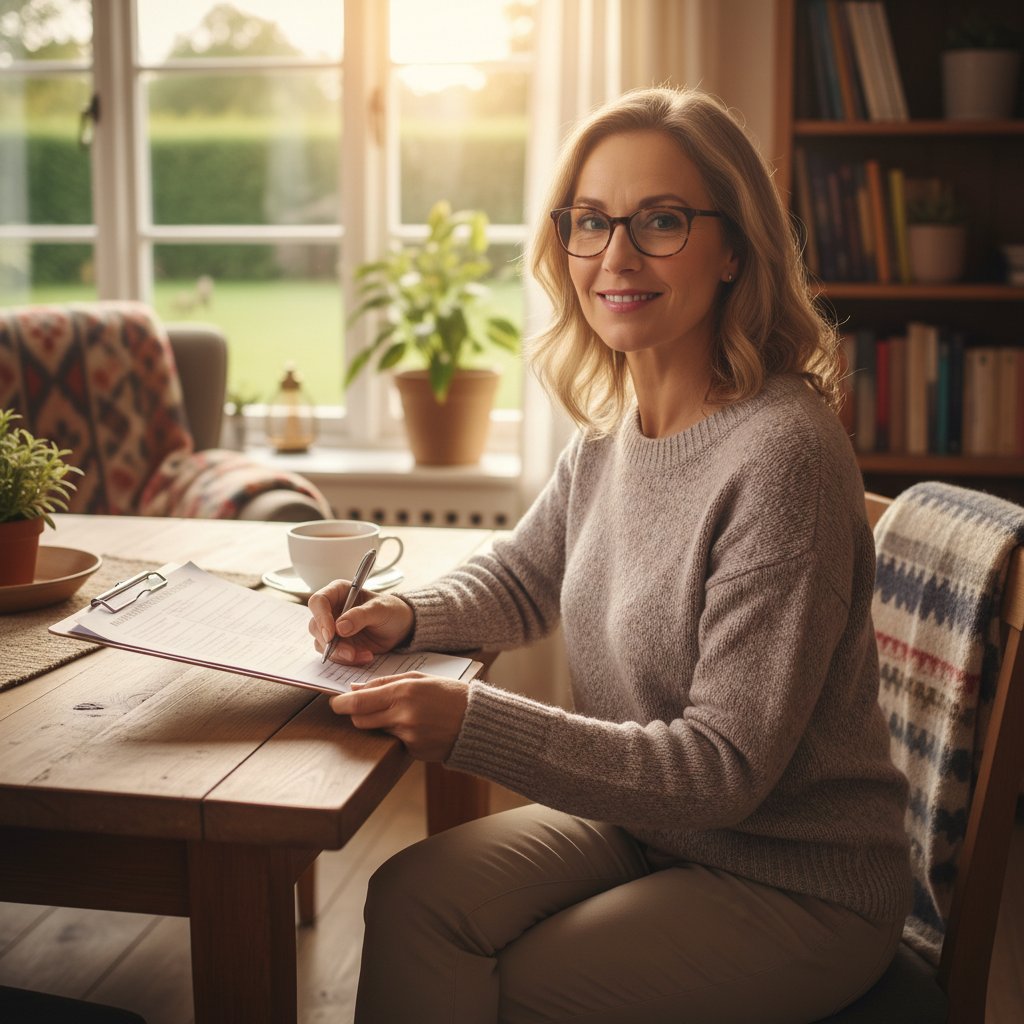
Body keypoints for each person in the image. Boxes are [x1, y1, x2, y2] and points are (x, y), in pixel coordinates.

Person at [308, 86, 912, 1024]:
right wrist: (407, 614)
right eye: (591, 222)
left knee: (517, 985)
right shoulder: (610, 432)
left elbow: (720, 768)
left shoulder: (784, 454)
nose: (617, 256)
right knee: (412, 897)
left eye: (661, 221)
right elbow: (520, 578)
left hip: (797, 880)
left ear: (735, 249)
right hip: (649, 830)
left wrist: (475, 720)